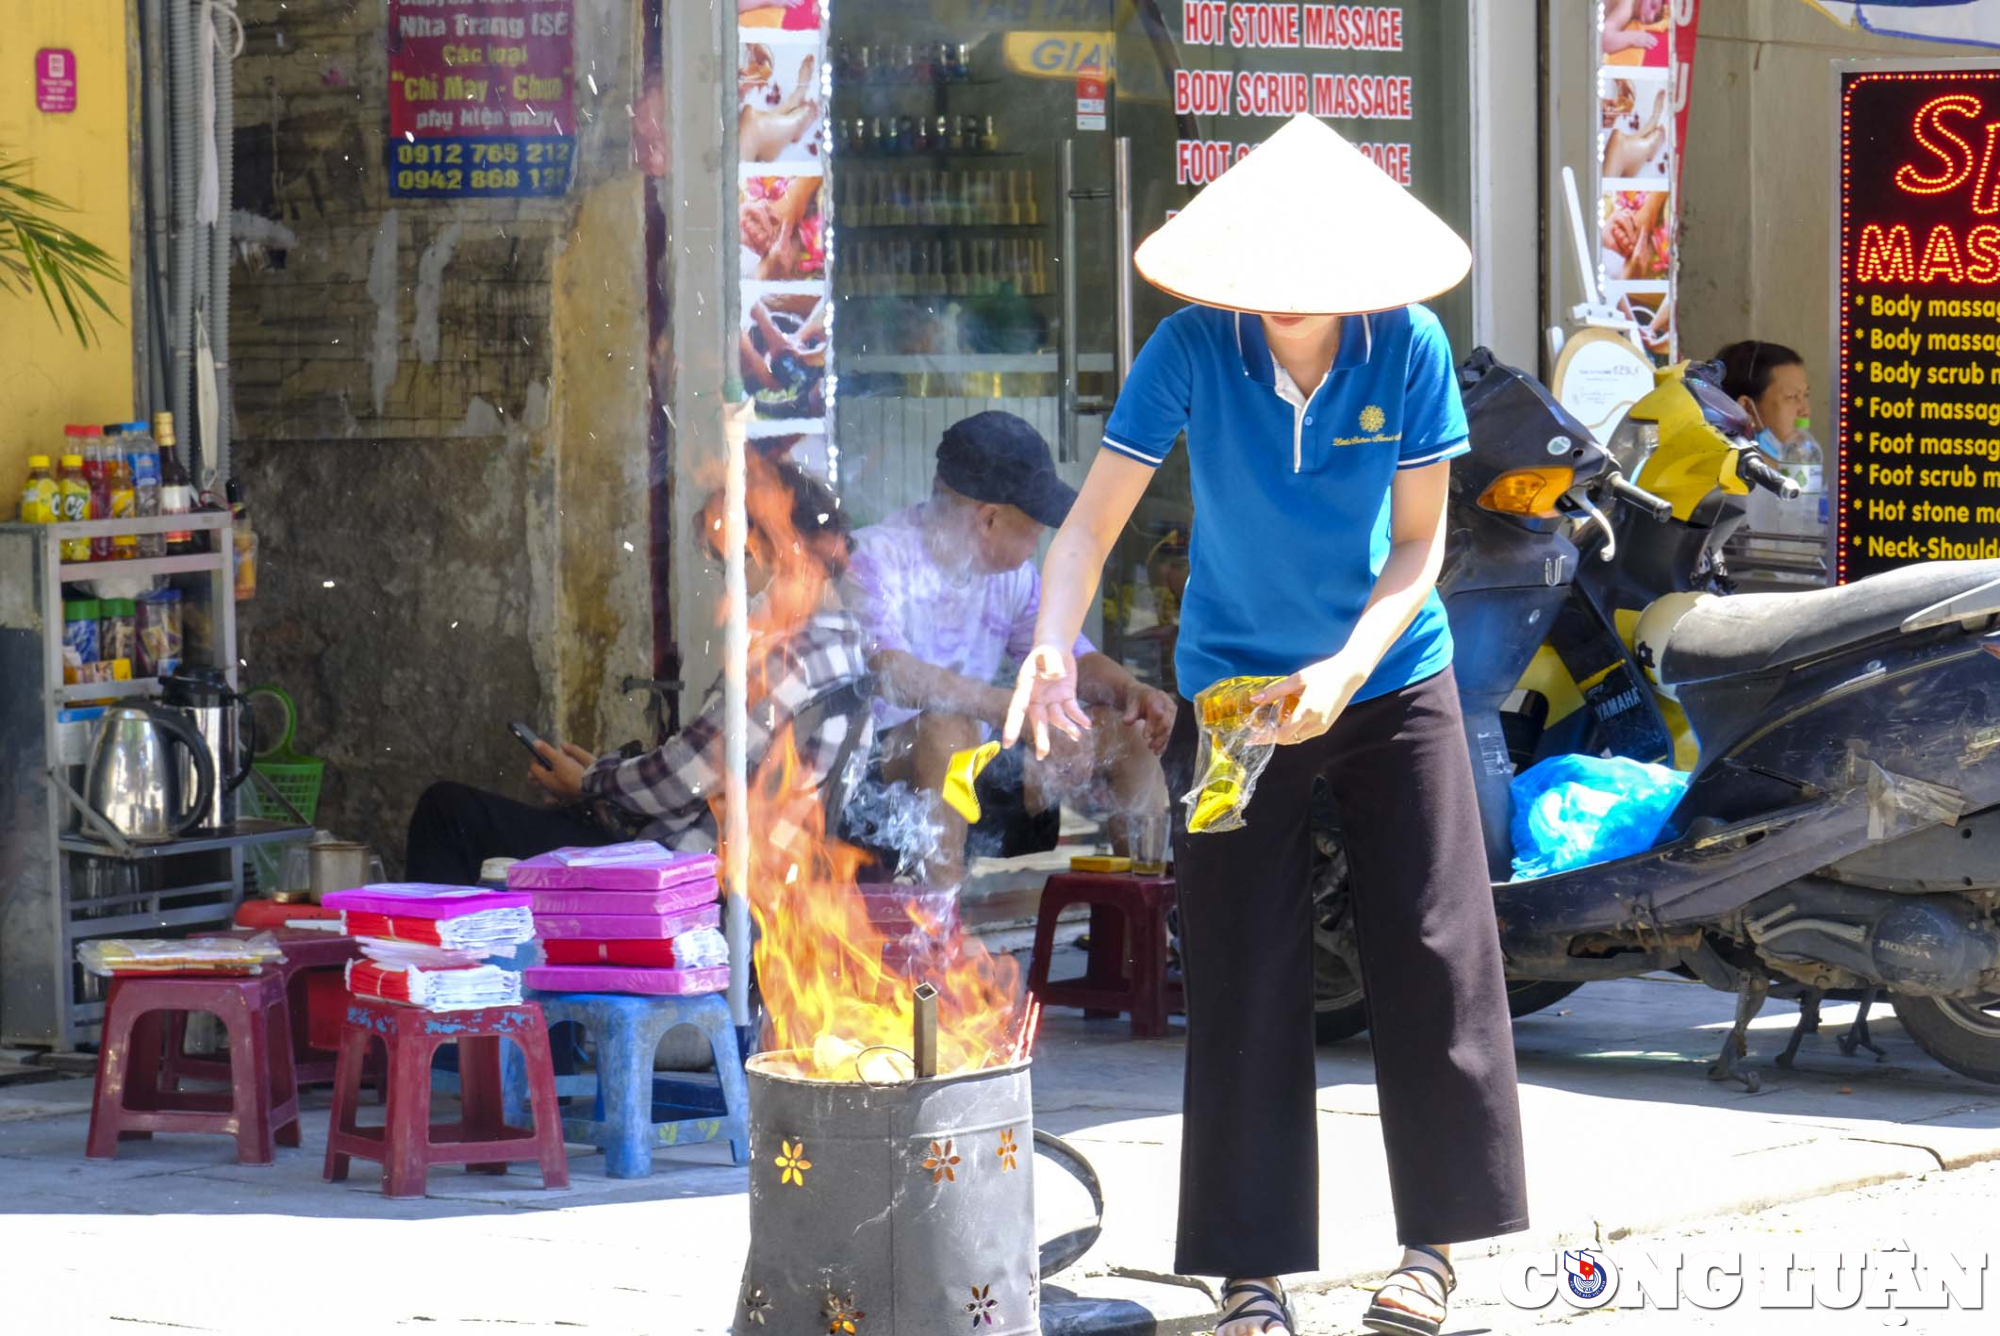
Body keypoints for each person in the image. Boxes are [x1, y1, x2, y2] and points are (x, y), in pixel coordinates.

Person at [1002, 116, 1528, 1336]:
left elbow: (1418, 544)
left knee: (1434, 944)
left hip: (1388, 677)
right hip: (1233, 690)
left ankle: (1432, 1252)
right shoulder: (1191, 347)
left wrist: (1345, 669)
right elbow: (1086, 527)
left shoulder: (1409, 347)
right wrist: (1048, 637)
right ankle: (1248, 1277)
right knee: (1239, 962)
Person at [406, 455, 870, 884]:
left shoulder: (790, 656)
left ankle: (443, 969)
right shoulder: (843, 645)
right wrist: (608, 781)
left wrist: (590, 782)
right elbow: (704, 774)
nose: (728, 582)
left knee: (447, 812)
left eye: (729, 560)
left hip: (677, 879)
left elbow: (684, 775)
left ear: (772, 549)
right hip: (703, 860)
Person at [843, 410, 1175, 887]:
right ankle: (939, 939)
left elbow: (1070, 657)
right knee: (948, 730)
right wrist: (1011, 711)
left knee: (1125, 732)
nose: (1043, 535)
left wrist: (1130, 690)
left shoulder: (1012, 578)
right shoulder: (874, 558)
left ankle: (1145, 935)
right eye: (1036, 525)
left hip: (981, 759)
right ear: (989, 519)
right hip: (882, 776)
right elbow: (891, 671)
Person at [1716, 340, 1811, 455]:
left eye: (1806, 395)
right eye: (1792, 396)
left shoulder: (1802, 467)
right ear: (1747, 409)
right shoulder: (1725, 471)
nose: (1805, 411)